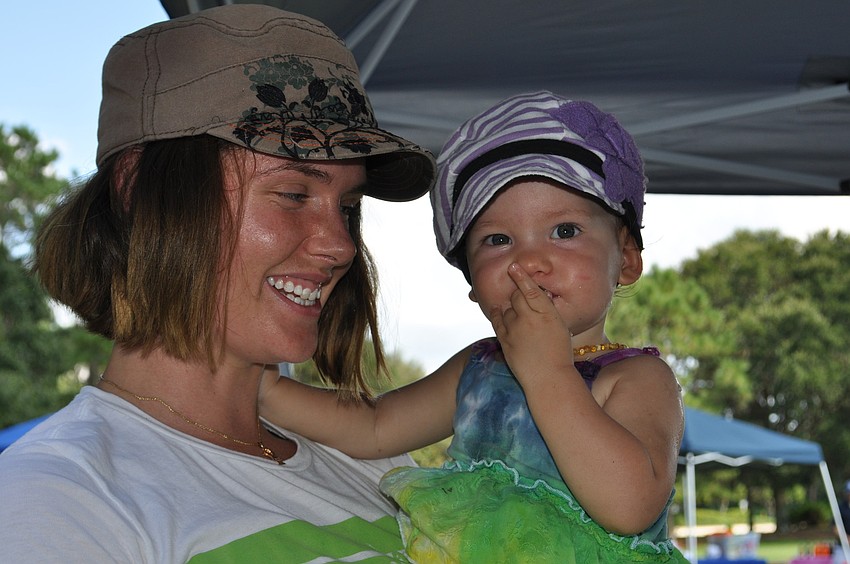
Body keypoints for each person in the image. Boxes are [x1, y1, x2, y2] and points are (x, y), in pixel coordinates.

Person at [0, 5, 437, 562]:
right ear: (140, 189)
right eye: (295, 194)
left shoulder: (374, 461)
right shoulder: (55, 501)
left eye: (348, 206)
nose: (341, 245)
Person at [260, 91, 688, 562]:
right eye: (497, 240)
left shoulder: (637, 379)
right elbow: (374, 427)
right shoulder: (479, 368)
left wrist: (548, 374)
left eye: (565, 231)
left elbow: (629, 508)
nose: (528, 260)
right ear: (472, 283)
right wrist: (265, 391)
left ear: (626, 259)